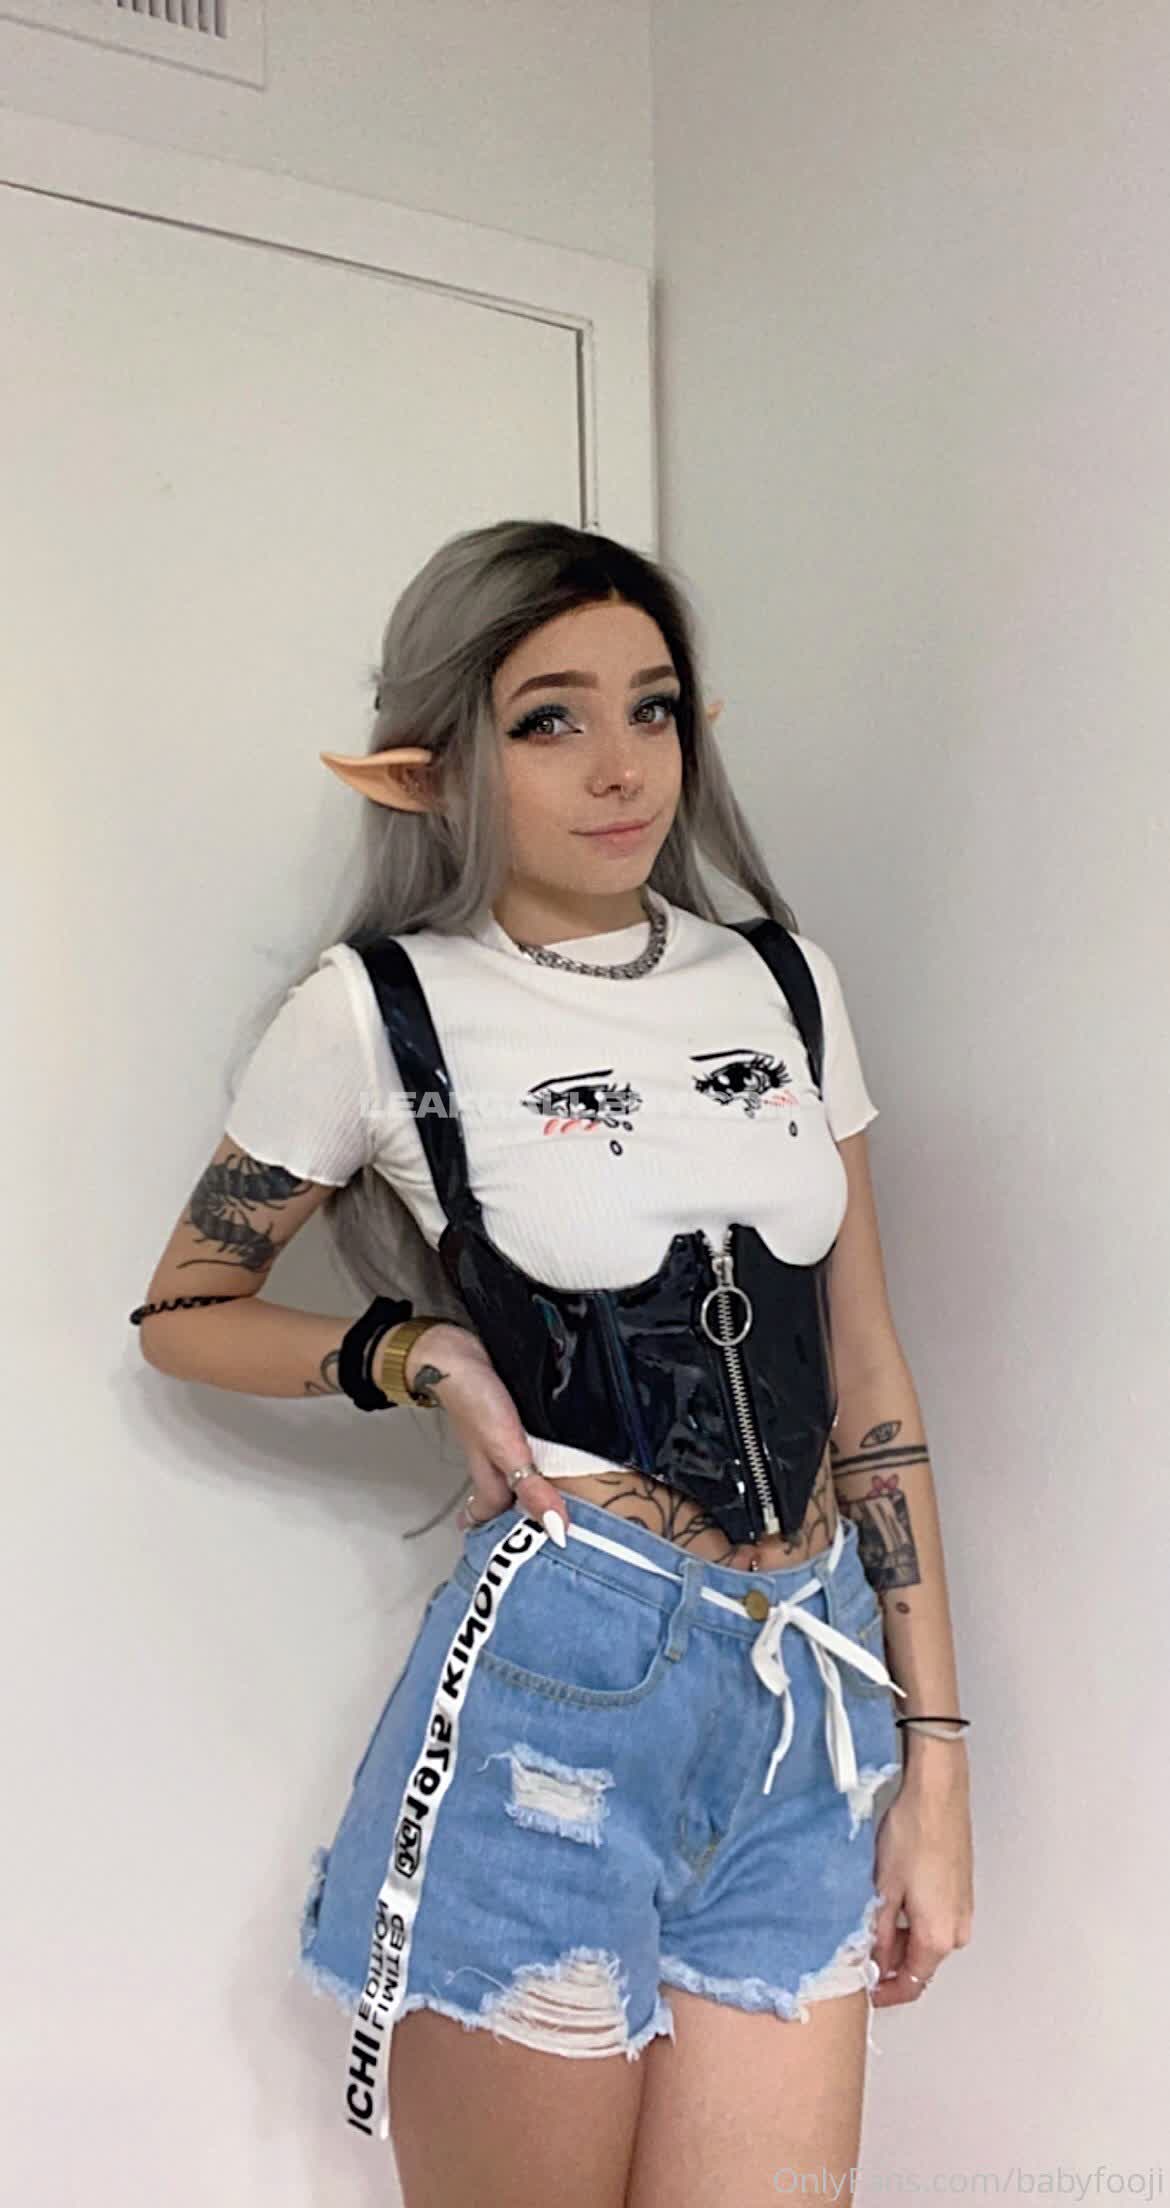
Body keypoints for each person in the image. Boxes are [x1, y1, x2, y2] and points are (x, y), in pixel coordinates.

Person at [132, 518, 973, 2206]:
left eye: (651, 707)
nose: (618, 767)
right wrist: (418, 1353)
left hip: (806, 1693)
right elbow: (185, 1308)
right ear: (433, 764)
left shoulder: (782, 983)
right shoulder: (379, 1011)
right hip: (559, 1683)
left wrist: (935, 1758)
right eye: (548, 719)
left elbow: (869, 1372)